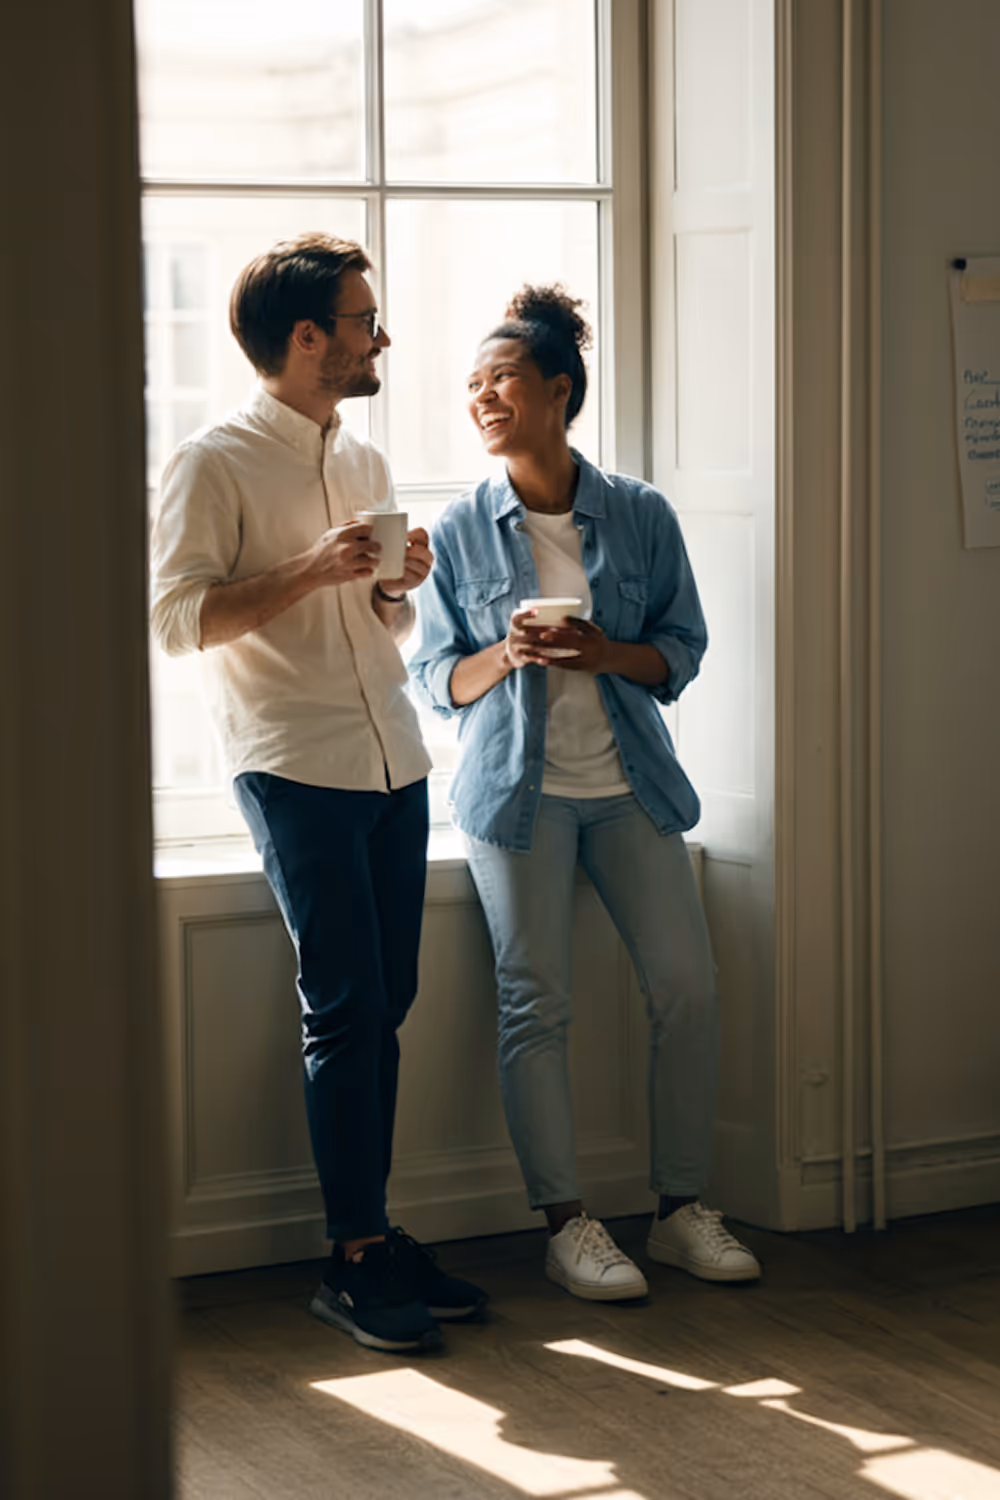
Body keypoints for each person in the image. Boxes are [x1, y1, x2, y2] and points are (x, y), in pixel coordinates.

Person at [150, 233, 486, 1352]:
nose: (380, 338)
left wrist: (396, 588)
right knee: (345, 1005)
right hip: (292, 760)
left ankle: (374, 1233)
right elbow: (176, 621)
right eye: (362, 321)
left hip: (394, 755)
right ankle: (351, 1258)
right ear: (307, 337)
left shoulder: (368, 459)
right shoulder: (211, 462)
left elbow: (384, 625)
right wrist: (311, 567)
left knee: (387, 1002)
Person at [410, 285, 761, 1300]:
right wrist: (504, 654)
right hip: (513, 799)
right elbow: (435, 680)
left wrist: (607, 653)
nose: (482, 397)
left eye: (502, 379)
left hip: (628, 787)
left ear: (559, 390)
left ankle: (680, 1210)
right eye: (472, 384)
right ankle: (567, 1225)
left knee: (688, 990)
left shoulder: (640, 513)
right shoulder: (459, 527)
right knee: (537, 1003)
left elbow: (681, 649)